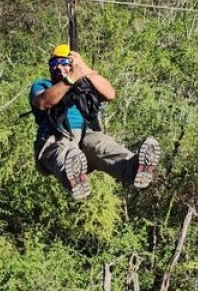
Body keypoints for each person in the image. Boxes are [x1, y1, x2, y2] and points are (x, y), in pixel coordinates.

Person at [30, 44, 160, 200]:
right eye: (53, 64)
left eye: (64, 62)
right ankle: (74, 179)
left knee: (101, 144)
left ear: (72, 64)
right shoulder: (43, 85)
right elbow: (44, 102)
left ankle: (134, 168)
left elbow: (110, 94)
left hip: (84, 135)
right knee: (63, 152)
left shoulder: (84, 85)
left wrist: (83, 69)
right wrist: (70, 79)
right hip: (56, 134)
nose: (58, 67)